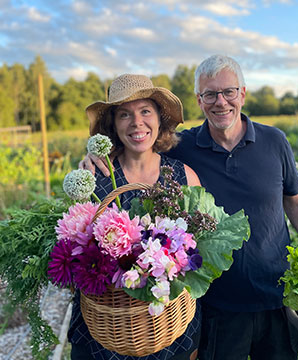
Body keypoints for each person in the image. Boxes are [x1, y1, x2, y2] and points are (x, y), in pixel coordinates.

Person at [80, 55, 298, 360]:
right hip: (218, 307)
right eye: (210, 94)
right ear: (199, 101)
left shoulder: (274, 141)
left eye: (228, 92)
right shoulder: (181, 147)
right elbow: (139, 141)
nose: (221, 102)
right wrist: (94, 159)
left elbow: (294, 201)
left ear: (242, 93)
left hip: (276, 298)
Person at [70, 73, 202, 360]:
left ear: (159, 120)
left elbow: (199, 254)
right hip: (104, 333)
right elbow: (74, 249)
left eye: (145, 111)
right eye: (124, 115)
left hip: (169, 331)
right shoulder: (96, 176)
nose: (137, 123)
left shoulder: (184, 177)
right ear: (113, 126)